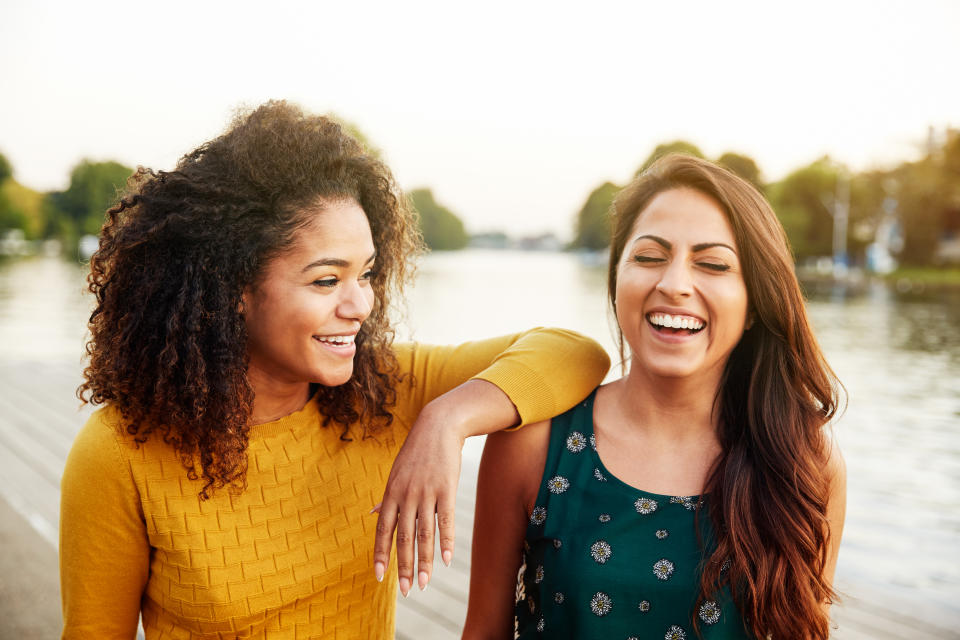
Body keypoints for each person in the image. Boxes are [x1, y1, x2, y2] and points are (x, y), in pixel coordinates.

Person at [59, 100, 610, 639]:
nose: (360, 306)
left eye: (366, 274)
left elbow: (576, 352)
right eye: (326, 280)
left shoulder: (386, 387)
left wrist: (447, 420)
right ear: (233, 288)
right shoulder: (119, 452)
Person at [463, 155, 846, 640]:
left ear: (754, 304)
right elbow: (483, 631)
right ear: (616, 280)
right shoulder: (535, 444)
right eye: (648, 257)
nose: (674, 285)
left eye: (712, 264)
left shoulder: (804, 459)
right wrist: (446, 418)